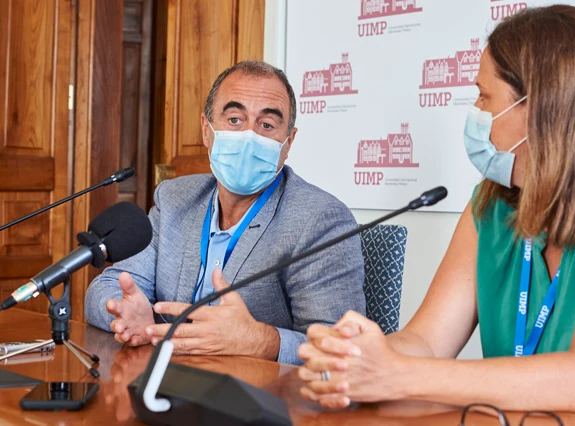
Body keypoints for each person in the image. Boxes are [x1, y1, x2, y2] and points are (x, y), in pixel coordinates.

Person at [296, 5, 575, 424]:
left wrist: (397, 375)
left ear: (541, 107)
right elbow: (427, 343)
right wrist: (357, 361)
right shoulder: (490, 205)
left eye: (485, 96)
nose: (475, 112)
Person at [84, 60, 366, 365]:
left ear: (288, 143)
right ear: (207, 131)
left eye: (266, 125)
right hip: (166, 384)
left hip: (257, 400)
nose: (249, 136)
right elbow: (106, 288)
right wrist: (130, 317)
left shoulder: (320, 219)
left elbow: (339, 347)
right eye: (234, 119)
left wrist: (261, 341)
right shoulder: (175, 199)